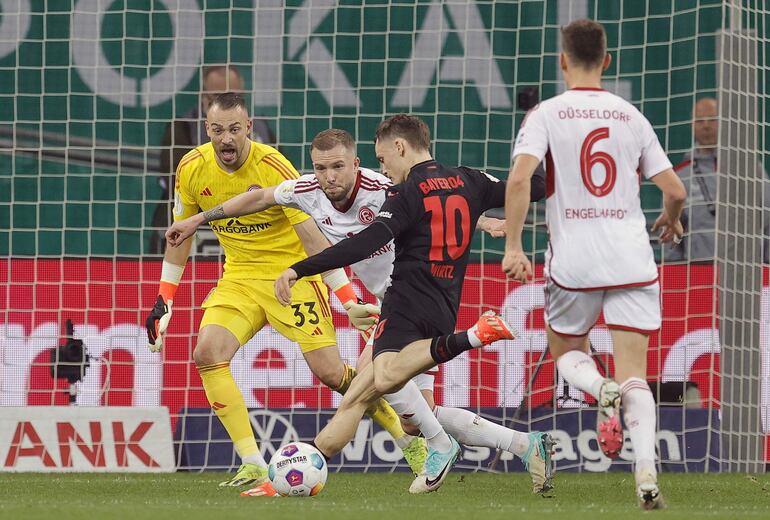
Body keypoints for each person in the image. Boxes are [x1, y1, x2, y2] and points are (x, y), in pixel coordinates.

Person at [166, 128, 552, 494]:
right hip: (393, 304)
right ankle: (523, 444)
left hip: (413, 300)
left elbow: (428, 208)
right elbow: (259, 198)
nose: (329, 177)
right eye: (320, 168)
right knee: (415, 414)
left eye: (338, 167)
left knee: (372, 384)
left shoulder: (385, 188)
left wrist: (481, 220)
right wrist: (198, 219)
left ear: (357, 164)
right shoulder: (307, 190)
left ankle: (435, 444)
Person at [145, 93, 411, 495]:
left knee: (331, 373)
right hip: (238, 278)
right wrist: (165, 298)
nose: (226, 138)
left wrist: (348, 300)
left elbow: (314, 239)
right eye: (217, 130)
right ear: (207, 130)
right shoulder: (191, 168)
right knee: (207, 354)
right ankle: (252, 463)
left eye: (235, 129)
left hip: (292, 277)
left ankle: (410, 441)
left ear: (249, 127)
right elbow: (180, 234)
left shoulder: (272, 167)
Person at [501, 19, 687, 510]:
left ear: (563, 61)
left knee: (566, 352)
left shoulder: (546, 113)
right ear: (607, 61)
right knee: (637, 377)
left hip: (574, 260)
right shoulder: (631, 115)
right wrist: (670, 220)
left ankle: (596, 387)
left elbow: (520, 180)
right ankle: (646, 476)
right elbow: (675, 190)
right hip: (632, 257)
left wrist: (514, 245)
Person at [150, 65, 276, 254]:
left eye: (232, 97)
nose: (225, 103)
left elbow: (277, 184)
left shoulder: (261, 127)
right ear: (203, 96)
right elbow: (176, 182)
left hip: (251, 229)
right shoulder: (183, 127)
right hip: (197, 230)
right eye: (217, 97)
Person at [663, 96, 770, 262]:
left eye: (712, 119)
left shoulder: (749, 168)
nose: (706, 125)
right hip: (698, 271)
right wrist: (672, 266)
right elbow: (671, 226)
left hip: (745, 271)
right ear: (692, 125)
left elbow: (767, 215)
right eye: (700, 120)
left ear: (724, 122)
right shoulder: (681, 175)